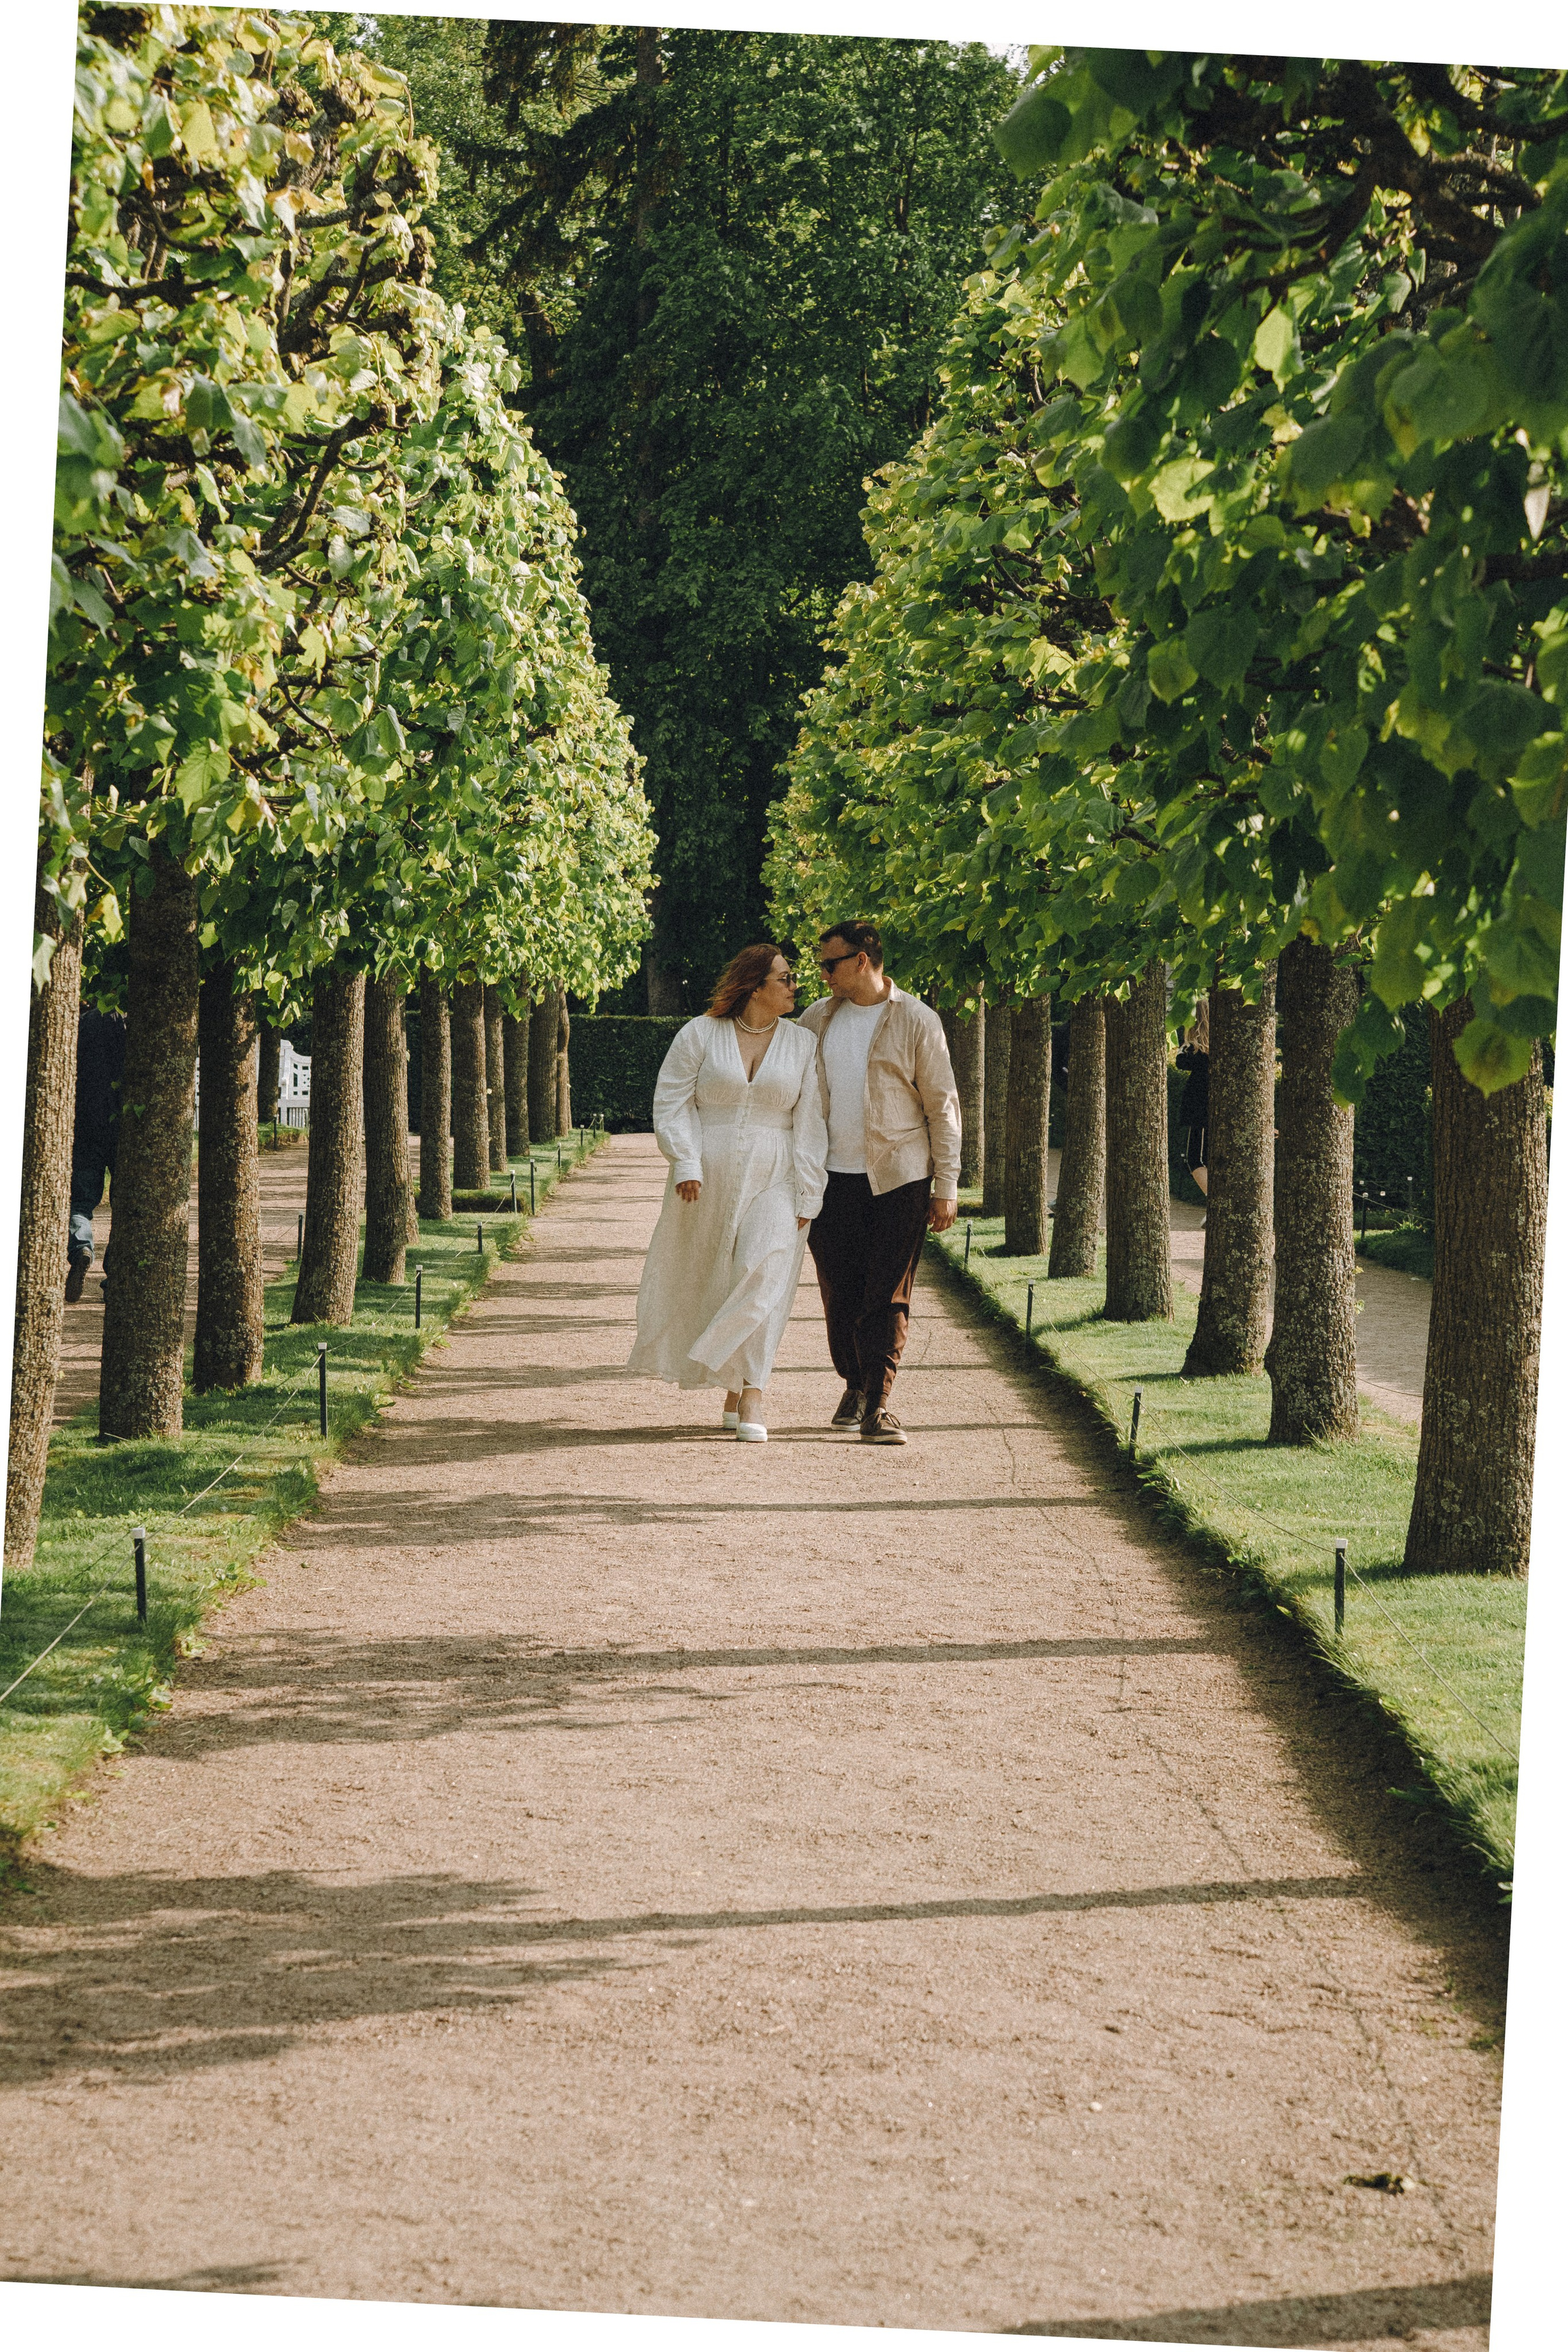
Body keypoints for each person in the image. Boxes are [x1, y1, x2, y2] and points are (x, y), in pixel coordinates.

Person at [628, 944, 827, 1441]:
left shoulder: (802, 1044)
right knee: (716, 1276)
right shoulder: (699, 1034)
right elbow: (671, 1101)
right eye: (784, 979)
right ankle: (732, 1386)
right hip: (707, 1174)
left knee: (765, 1274)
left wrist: (810, 1191)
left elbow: (811, 1122)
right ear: (755, 986)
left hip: (779, 1172)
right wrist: (686, 1162)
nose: (794, 986)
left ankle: (752, 1389)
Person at [797, 922, 960, 1446]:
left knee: (887, 1292)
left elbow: (943, 1107)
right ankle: (855, 1382)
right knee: (838, 1293)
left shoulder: (917, 1020)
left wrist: (947, 1186)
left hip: (899, 1178)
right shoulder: (814, 1020)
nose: (823, 974)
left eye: (831, 964)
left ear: (862, 960)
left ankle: (880, 1402)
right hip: (829, 1179)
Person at [66, 1007, 126, 1302]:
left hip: (86, 1123)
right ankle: (115, 1274)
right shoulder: (130, 1026)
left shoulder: (81, 1024)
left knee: (80, 1200)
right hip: (122, 1126)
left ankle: (82, 1248)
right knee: (124, 1204)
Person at [1175, 997, 1210, 1221]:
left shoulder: (1196, 1050)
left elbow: (1180, 1061)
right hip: (1205, 1107)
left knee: (1195, 1158)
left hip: (1201, 1109)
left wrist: (1186, 1042)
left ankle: (1214, 1203)